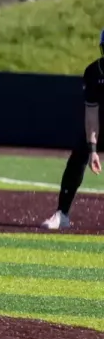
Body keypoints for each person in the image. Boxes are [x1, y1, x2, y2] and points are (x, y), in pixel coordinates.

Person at [43, 30, 104, 229]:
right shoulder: (95, 73)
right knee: (79, 155)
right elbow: (92, 114)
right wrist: (93, 149)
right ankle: (62, 214)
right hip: (100, 126)